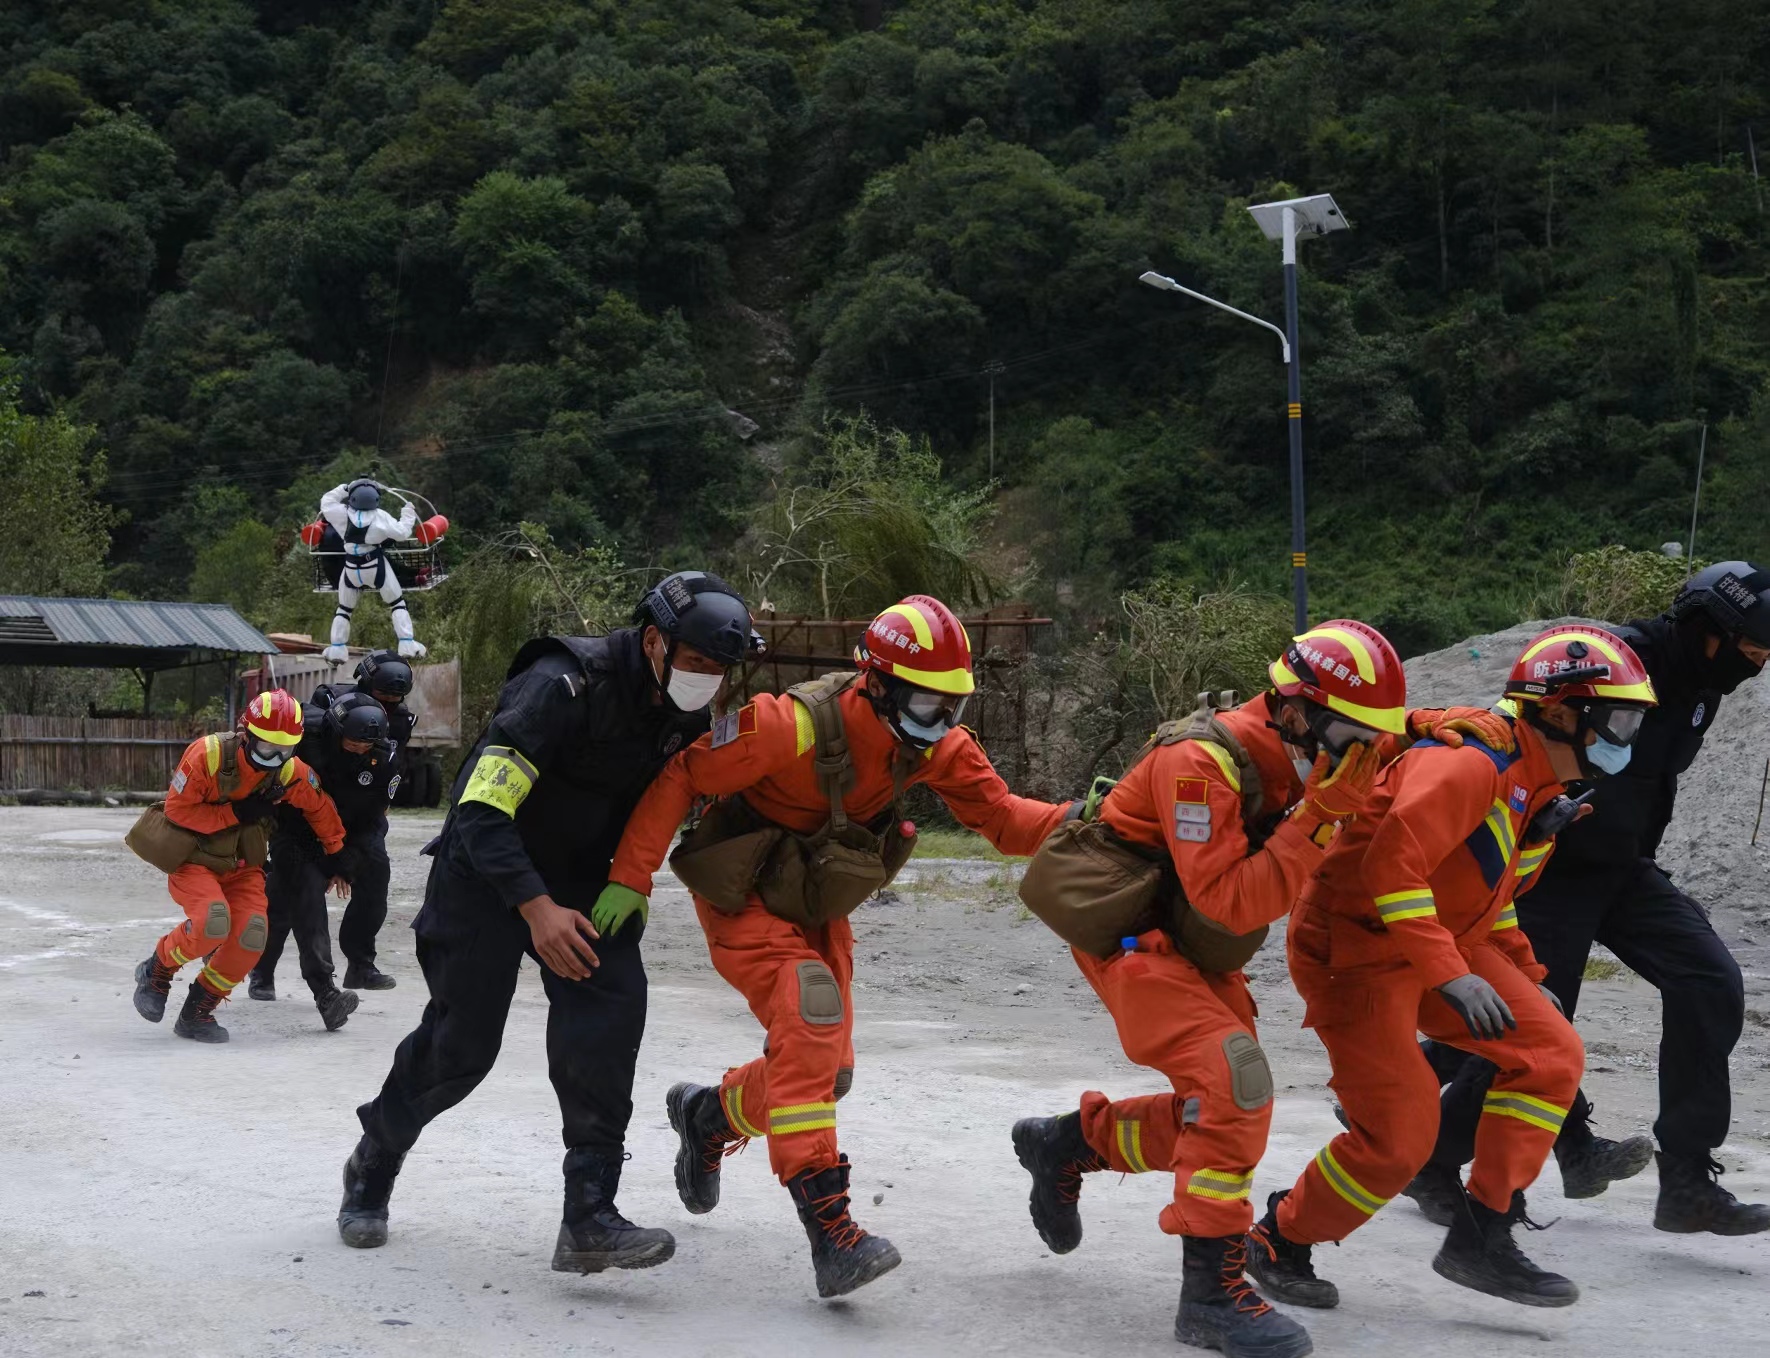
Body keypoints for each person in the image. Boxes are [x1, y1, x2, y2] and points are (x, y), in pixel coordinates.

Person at [1010, 622, 1512, 1358]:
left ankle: (1067, 1144)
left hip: (1192, 945)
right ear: (1299, 713)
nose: (1365, 757)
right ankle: (1211, 1295)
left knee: (1210, 1113)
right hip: (1131, 937)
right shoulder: (1200, 764)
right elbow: (1231, 904)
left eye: (1371, 742)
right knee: (1236, 1084)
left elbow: (1386, 729)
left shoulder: (1327, 738)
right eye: (1353, 740)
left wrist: (1436, 723)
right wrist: (1320, 817)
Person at [595, 595, 1075, 1300]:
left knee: (824, 1071)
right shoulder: (784, 726)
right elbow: (685, 776)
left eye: (952, 705)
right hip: (743, 893)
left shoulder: (937, 744)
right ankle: (832, 1232)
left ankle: (709, 1115)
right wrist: (631, 877)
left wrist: (1094, 819)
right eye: (926, 700)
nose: (940, 720)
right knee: (813, 1023)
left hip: (815, 901)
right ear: (877, 682)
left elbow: (1003, 820)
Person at [337, 571, 758, 1278]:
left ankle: (589, 1216)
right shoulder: (563, 684)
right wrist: (534, 908)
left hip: (586, 880)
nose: (708, 680)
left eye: (722, 669)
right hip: (487, 870)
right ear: (655, 642)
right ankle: (374, 1158)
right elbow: (479, 810)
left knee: (610, 1015)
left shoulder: (684, 707)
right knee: (462, 1046)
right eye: (699, 664)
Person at [1245, 627, 1656, 1313]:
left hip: (1440, 942)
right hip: (1357, 950)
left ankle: (1483, 1234)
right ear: (1558, 712)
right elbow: (1389, 868)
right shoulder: (1470, 766)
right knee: (1399, 1142)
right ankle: (1278, 1239)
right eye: (1617, 718)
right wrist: (1449, 975)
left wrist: (1527, 974)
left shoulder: (1537, 786)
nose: (1627, 735)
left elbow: (1484, 898)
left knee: (1552, 1053)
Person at [1415, 563, 1770, 1235]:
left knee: (1711, 980)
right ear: (1711, 631)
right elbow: (1520, 727)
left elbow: (1651, 786)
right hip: (1549, 871)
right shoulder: (1613, 659)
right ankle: (1436, 1159)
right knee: (1530, 1034)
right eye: (1752, 645)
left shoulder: (1705, 685)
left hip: (1624, 870)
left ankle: (1688, 1183)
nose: (1759, 659)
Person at [129, 691, 346, 1043]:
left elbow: (319, 806)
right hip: (194, 860)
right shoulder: (208, 755)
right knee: (213, 923)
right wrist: (237, 813)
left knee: (252, 934)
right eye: (267, 749)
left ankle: (198, 1012)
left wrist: (337, 854)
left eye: (285, 750)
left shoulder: (288, 772)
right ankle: (157, 970)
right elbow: (177, 811)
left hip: (243, 866)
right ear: (247, 735)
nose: (275, 760)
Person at [246, 692, 402, 1030]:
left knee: (376, 872)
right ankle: (280, 976)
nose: (360, 749)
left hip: (353, 830)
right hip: (296, 830)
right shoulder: (302, 740)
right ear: (334, 729)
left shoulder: (385, 757)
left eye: (366, 745)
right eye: (353, 742)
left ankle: (360, 964)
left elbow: (375, 817)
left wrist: (345, 862)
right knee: (296, 898)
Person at [298, 649, 419, 991]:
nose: (389, 705)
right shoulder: (324, 708)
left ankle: (361, 964)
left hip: (362, 810)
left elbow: (389, 773)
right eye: (383, 696)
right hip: (314, 812)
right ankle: (263, 968)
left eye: (396, 699)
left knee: (375, 876)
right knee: (290, 888)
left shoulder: (399, 722)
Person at [310, 480, 447, 662]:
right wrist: (407, 512)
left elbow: (327, 501)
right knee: (396, 603)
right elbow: (402, 533)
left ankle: (337, 649)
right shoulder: (380, 517)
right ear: (375, 500)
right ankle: (407, 644)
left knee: (344, 609)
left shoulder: (341, 514)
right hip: (374, 567)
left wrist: (345, 487)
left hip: (351, 569)